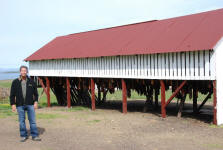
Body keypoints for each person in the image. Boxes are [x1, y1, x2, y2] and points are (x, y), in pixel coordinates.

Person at [10, 65, 41, 142]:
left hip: (30, 104)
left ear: (27, 72)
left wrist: (36, 102)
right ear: (20, 72)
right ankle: (23, 135)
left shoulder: (31, 81)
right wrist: (13, 104)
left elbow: (36, 94)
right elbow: (12, 94)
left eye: (25, 70)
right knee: (21, 121)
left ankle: (34, 135)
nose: (23, 72)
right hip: (20, 105)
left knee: (32, 121)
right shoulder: (15, 82)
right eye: (22, 70)